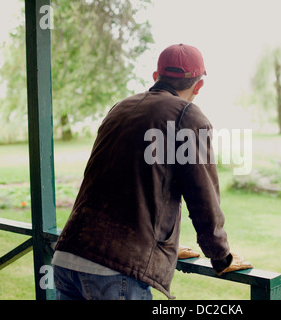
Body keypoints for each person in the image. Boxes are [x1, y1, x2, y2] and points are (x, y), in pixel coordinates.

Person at [52, 44, 252, 300]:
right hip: (114, 270)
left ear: (155, 77)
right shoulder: (187, 116)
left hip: (68, 256)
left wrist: (162, 248)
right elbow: (203, 197)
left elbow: (125, 182)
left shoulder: (121, 108)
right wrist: (221, 255)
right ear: (199, 86)